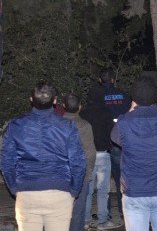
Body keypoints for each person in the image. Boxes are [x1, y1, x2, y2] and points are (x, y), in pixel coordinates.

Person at [0, 82, 86, 231]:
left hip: (27, 192)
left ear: (31, 100)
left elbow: (6, 162)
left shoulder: (16, 125)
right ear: (55, 101)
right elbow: (78, 163)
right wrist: (74, 191)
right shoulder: (68, 126)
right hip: (59, 193)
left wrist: (14, 187)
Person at [110, 76, 157, 231]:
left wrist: (131, 109)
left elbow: (114, 138)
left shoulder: (124, 122)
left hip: (134, 191)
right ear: (156, 96)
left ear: (133, 98)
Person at [88, 67, 132, 220]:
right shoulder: (124, 95)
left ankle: (104, 213)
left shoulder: (97, 97)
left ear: (100, 81)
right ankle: (123, 211)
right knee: (122, 178)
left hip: (102, 143)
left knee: (103, 181)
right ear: (114, 79)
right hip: (120, 142)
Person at [80, 96, 117, 229]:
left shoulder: (83, 113)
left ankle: (85, 221)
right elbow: (113, 133)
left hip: (87, 155)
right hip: (103, 154)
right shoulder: (106, 112)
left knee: (88, 190)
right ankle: (102, 221)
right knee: (103, 190)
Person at [63, 93, 97, 231]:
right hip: (80, 174)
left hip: (61, 174)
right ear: (80, 107)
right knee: (78, 212)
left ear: (64, 106)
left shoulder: (56, 124)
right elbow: (90, 152)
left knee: (60, 213)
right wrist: (88, 173)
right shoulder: (85, 125)